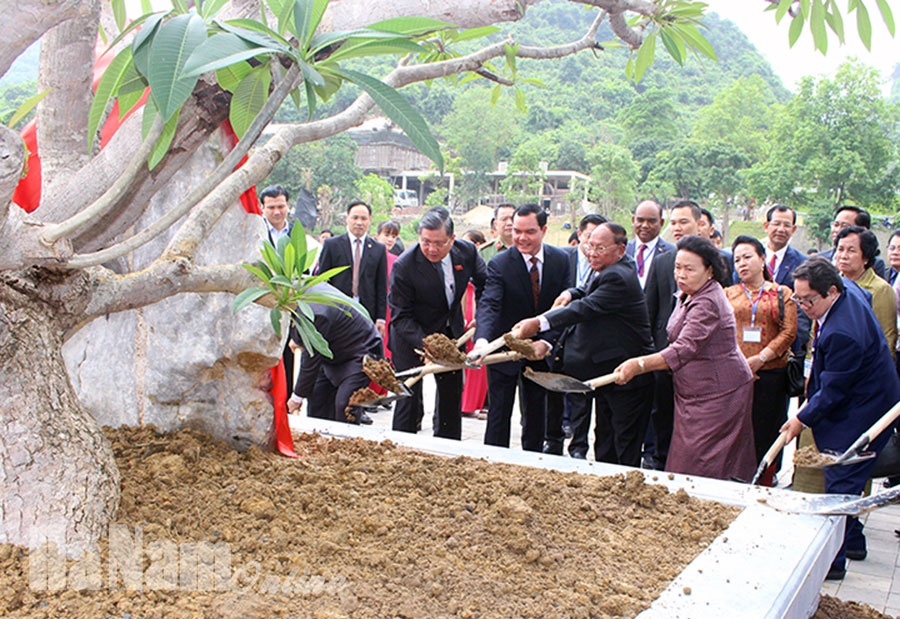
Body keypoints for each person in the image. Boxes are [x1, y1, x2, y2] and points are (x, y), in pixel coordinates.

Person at [781, 257, 900, 581]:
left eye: (809, 300)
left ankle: (832, 564)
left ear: (832, 291)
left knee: (841, 481)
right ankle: (855, 542)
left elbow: (833, 391)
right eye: (798, 298)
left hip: (863, 408)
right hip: (864, 391)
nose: (803, 306)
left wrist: (800, 419)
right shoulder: (849, 289)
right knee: (848, 478)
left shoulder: (843, 333)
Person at [615, 235, 757, 482]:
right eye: (677, 268)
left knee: (705, 463)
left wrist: (639, 364)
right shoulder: (688, 294)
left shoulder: (709, 302)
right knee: (685, 460)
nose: (681, 274)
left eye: (689, 269)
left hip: (719, 393)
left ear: (709, 270)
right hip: (692, 392)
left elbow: (684, 348)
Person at [515, 223, 655, 465]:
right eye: (589, 246)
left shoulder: (619, 277)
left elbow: (586, 308)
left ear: (621, 249)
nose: (592, 253)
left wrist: (539, 323)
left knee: (624, 442)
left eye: (600, 248)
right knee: (605, 437)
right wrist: (570, 293)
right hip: (608, 372)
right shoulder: (608, 266)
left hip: (629, 377)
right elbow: (586, 291)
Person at [470, 203, 571, 452]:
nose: (522, 238)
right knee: (498, 413)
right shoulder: (500, 264)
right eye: (517, 231)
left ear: (544, 230)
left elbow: (566, 310)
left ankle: (533, 462)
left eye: (530, 232)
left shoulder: (561, 260)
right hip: (504, 350)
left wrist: (546, 342)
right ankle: (491, 462)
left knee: (536, 415)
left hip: (540, 350)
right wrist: (483, 342)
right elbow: (489, 305)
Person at [389, 208, 487, 440]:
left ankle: (448, 447)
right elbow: (401, 316)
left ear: (452, 239)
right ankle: (402, 447)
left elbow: (487, 286)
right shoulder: (404, 266)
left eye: (439, 243)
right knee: (408, 397)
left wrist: (481, 315)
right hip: (411, 337)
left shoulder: (468, 253)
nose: (432, 249)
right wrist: (428, 346)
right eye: (426, 242)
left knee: (450, 397)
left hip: (451, 333)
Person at [725, 235, 798, 486]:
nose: (742, 264)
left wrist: (761, 358)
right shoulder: (728, 294)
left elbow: (789, 332)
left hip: (771, 372)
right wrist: (739, 363)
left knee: (768, 425)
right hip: (737, 373)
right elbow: (723, 331)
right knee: (736, 425)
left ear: (762, 258)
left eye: (747, 257)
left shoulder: (781, 293)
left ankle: (767, 474)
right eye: (737, 260)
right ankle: (737, 472)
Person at [287, 283, 384, 424]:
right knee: (317, 402)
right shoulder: (297, 291)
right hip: (331, 351)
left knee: (344, 407)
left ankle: (348, 444)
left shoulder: (315, 312)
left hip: (360, 351)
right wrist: (298, 336)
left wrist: (297, 397)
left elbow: (311, 358)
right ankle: (320, 442)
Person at [315, 201, 388, 338]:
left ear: (369, 221)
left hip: (366, 311)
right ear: (347, 219)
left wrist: (381, 318)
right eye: (355, 218)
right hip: (337, 309)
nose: (359, 222)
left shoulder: (378, 249)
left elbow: (381, 286)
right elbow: (322, 281)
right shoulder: (332, 245)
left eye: (363, 218)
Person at [834, 226, 897, 355]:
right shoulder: (830, 284)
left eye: (851, 251)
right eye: (840, 250)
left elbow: (886, 335)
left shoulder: (880, 289)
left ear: (866, 257)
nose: (843, 256)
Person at [460, 229, 489, 419]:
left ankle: (478, 403)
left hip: (478, 311)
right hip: (466, 308)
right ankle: (465, 403)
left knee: (478, 362)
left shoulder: (483, 260)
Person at [820, 205, 887, 279]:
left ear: (863, 230)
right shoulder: (819, 259)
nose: (837, 230)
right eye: (836, 225)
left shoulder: (875, 264)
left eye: (844, 226)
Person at [627, 200, 675, 291]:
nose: (645, 225)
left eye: (651, 221)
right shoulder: (622, 250)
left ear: (661, 223)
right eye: (640, 220)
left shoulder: (671, 253)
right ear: (633, 220)